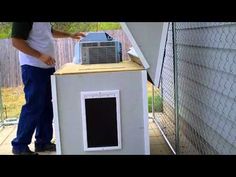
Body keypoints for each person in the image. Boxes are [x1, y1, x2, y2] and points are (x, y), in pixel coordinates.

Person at [11, 22, 85, 155]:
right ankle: (19, 145)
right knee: (33, 106)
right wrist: (40, 56)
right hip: (33, 67)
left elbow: (49, 31)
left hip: (47, 67)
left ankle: (43, 142)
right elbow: (16, 41)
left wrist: (70, 35)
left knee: (46, 107)